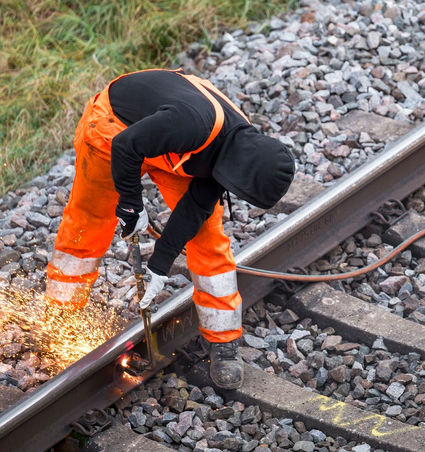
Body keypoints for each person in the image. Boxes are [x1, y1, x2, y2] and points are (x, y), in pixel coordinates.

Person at [44, 68, 295, 389]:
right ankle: (61, 317)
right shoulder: (192, 125)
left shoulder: (239, 152)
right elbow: (125, 146)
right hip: (115, 129)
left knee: (209, 238)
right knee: (89, 223)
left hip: (173, 142)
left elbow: (193, 212)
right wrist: (132, 206)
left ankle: (223, 339)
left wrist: (159, 265)